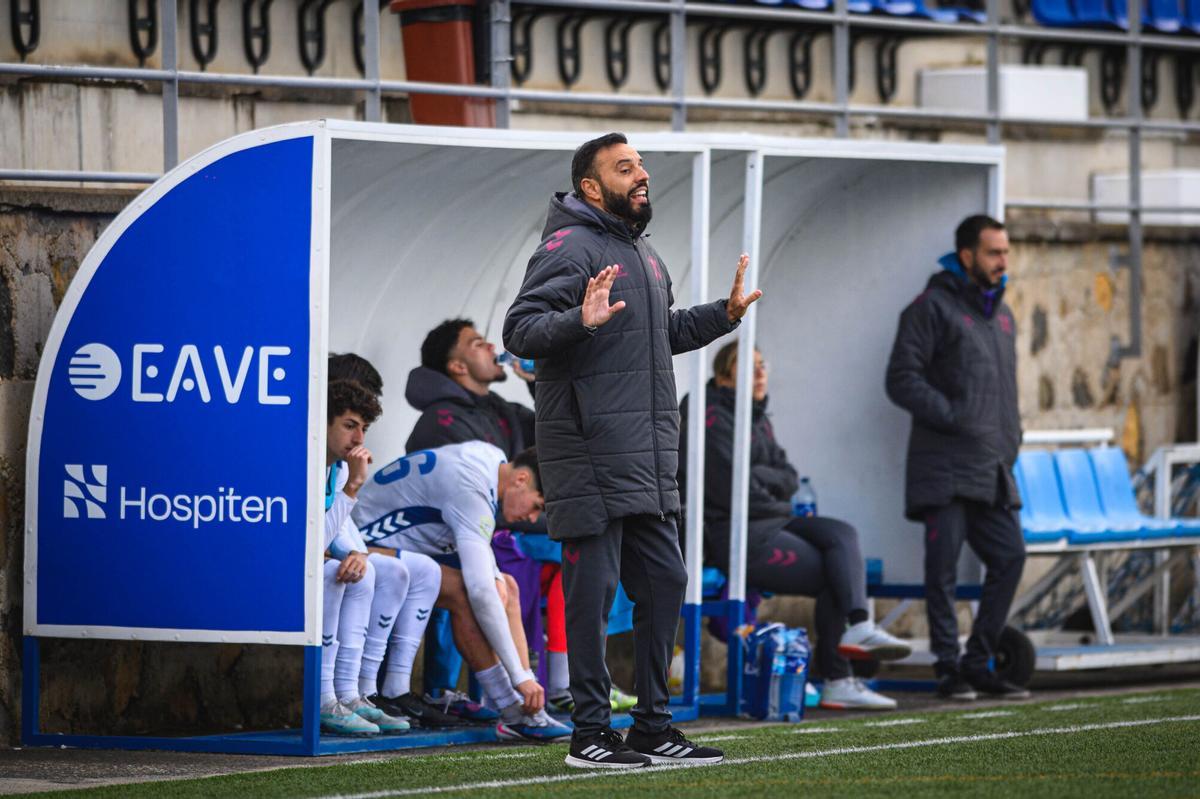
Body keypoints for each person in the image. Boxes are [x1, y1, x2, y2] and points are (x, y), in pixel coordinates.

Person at [504, 132, 759, 769]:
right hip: (588, 451)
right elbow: (519, 330)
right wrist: (578, 321)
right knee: (592, 593)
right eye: (625, 168)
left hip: (642, 456)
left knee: (667, 580)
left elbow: (661, 335)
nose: (640, 175)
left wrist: (722, 316)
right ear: (591, 187)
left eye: (640, 165)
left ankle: (651, 726)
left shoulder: (640, 251)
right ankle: (590, 733)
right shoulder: (568, 246)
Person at [680, 343, 912, 711]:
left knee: (842, 533)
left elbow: (788, 475)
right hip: (732, 532)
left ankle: (858, 625)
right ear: (724, 376)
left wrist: (764, 481)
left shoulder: (757, 414)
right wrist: (776, 494)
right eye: (749, 368)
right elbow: (735, 494)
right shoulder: (708, 414)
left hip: (772, 519)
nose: (760, 375)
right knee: (833, 573)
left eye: (762, 366)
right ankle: (837, 678)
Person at [885, 214, 1030, 701]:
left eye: (1006, 253)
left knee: (1010, 557)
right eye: (994, 253)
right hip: (944, 467)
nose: (1003, 261)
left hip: (991, 468)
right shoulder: (931, 308)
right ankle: (950, 670)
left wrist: (1013, 435)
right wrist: (954, 415)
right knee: (941, 574)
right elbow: (901, 378)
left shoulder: (1003, 315)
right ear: (967, 256)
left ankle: (979, 662)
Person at [351, 441, 572, 742]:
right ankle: (512, 710)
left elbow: (492, 586)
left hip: (395, 544)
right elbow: (480, 592)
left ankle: (528, 709)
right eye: (537, 506)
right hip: (358, 546)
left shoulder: (492, 459)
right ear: (521, 480)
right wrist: (518, 677)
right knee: (466, 594)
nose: (533, 518)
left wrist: (525, 677)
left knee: (508, 586)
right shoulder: (472, 491)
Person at [322, 378, 412, 736]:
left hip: (308, 559)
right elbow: (315, 540)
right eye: (349, 426)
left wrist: (356, 552)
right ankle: (325, 699)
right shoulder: (303, 459)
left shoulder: (340, 466)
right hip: (266, 568)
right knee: (332, 574)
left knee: (372, 571)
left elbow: (336, 534)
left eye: (364, 428)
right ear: (323, 422)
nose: (359, 439)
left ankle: (354, 692)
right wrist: (353, 488)